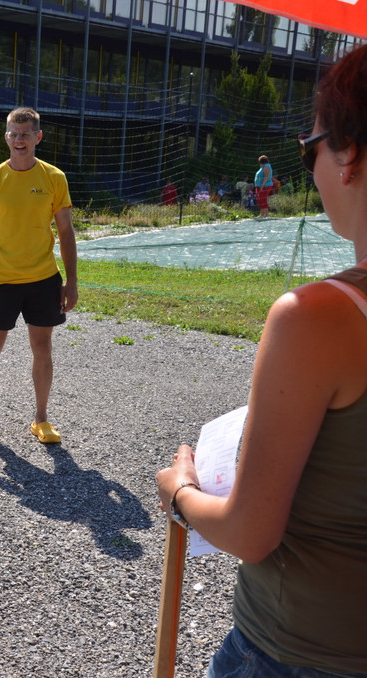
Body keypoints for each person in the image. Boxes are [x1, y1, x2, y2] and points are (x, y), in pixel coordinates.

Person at [156, 43, 367, 678]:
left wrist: (179, 492)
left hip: (299, 649)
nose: (312, 166)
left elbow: (250, 533)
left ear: (349, 153)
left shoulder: (316, 318)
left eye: (311, 147)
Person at [0, 107, 78, 444]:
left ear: (38, 137)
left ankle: (41, 419)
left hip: (43, 278)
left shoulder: (54, 178)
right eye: (14, 134)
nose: (19, 139)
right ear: (6, 137)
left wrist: (71, 281)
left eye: (25, 134)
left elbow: (66, 231)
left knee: (42, 346)